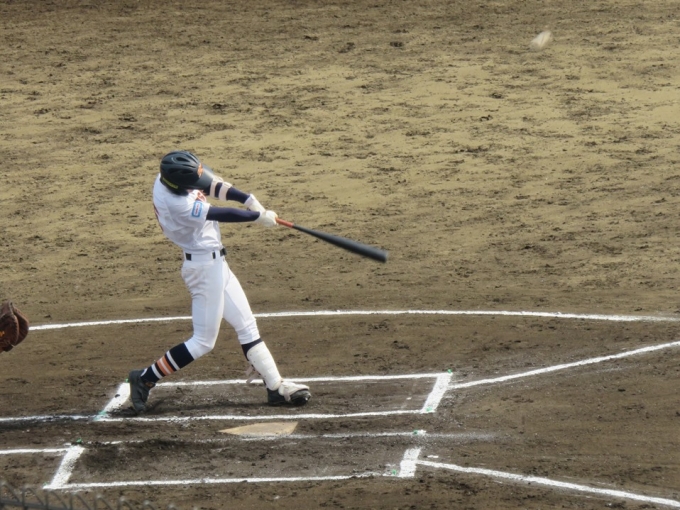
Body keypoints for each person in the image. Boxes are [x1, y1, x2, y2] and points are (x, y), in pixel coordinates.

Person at [128, 150, 311, 413]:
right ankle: (145, 378)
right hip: (203, 270)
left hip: (216, 265)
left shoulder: (168, 179)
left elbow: (211, 185)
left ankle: (275, 386)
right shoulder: (176, 204)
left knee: (247, 325)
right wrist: (257, 217)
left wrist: (248, 199)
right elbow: (220, 213)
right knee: (203, 341)